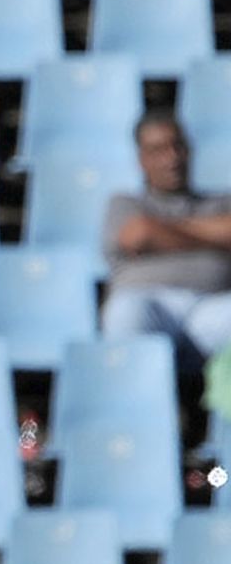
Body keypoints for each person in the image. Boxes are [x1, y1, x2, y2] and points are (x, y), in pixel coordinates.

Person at [102, 111, 231, 375]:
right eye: (158, 150)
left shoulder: (220, 202)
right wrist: (211, 233)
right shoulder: (125, 203)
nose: (172, 158)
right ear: (142, 159)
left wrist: (162, 231)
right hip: (150, 304)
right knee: (125, 312)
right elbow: (139, 234)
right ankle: (135, 398)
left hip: (214, 306)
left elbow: (148, 231)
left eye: (178, 146)